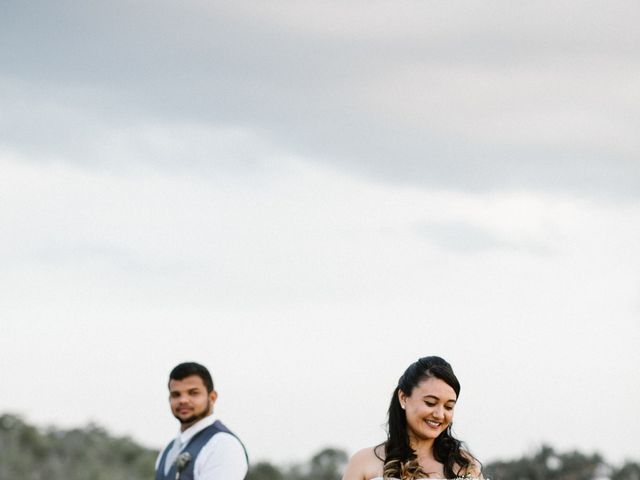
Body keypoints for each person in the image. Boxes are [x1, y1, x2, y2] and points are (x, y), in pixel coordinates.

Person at [342, 356, 482, 480]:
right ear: (403, 398)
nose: (440, 414)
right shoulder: (363, 462)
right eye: (430, 403)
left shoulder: (465, 465)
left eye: (449, 406)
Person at [155, 362, 248, 480]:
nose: (183, 400)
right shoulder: (168, 449)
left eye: (193, 393)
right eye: (176, 394)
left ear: (212, 397)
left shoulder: (223, 445)